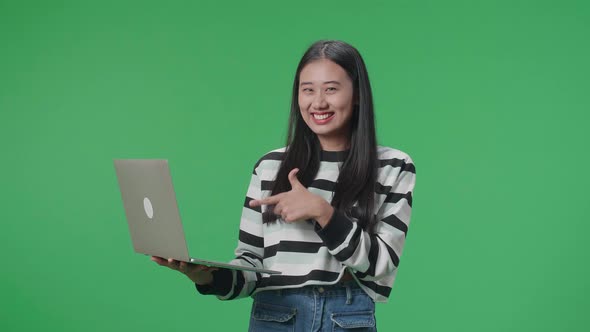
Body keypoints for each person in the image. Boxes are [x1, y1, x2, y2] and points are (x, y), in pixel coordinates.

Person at [151, 40, 416, 331]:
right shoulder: (270, 166)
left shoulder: (393, 166)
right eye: (307, 90)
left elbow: (381, 263)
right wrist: (205, 277)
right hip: (274, 315)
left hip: (345, 317)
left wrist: (322, 212)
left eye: (331, 89)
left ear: (356, 95)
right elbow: (253, 264)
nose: (318, 102)